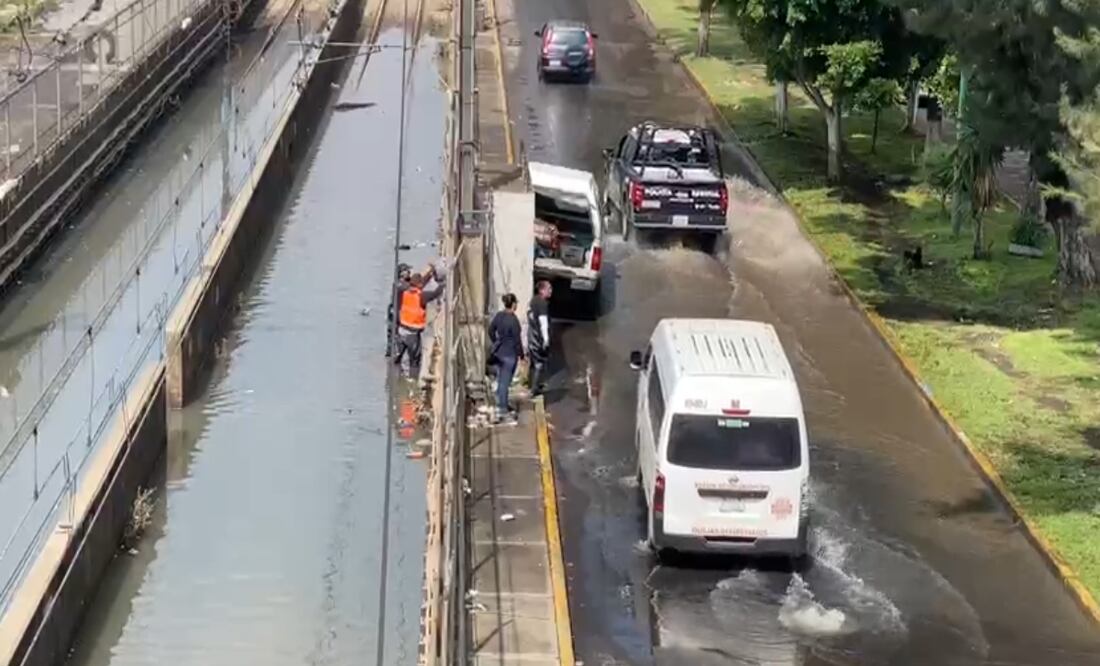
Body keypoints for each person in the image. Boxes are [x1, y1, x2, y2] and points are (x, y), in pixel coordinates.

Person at [395, 263, 447, 377]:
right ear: (419, 285)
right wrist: (444, 284)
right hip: (413, 336)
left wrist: (429, 274)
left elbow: (420, 283)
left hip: (401, 332)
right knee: (414, 363)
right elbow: (435, 293)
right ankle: (413, 381)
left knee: (397, 359)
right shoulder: (422, 296)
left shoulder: (404, 292)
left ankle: (395, 378)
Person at [488, 293, 524, 424]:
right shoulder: (514, 321)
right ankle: (502, 409)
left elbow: (491, 330)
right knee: (505, 382)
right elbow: (517, 341)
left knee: (500, 380)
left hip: (499, 353)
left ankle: (501, 404)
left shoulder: (499, 316)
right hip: (510, 355)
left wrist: (496, 342)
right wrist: (521, 355)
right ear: (513, 304)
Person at [526, 280, 552, 396]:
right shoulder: (542, 304)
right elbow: (543, 323)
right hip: (538, 338)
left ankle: (532, 385)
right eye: (548, 288)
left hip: (531, 336)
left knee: (533, 362)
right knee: (539, 364)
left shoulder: (534, 300)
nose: (551, 291)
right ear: (542, 290)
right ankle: (534, 389)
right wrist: (546, 340)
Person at [386, 263, 413, 357]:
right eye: (407, 271)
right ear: (402, 273)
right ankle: (394, 353)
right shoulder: (400, 284)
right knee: (396, 334)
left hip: (395, 311)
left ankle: (392, 352)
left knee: (393, 334)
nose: (409, 272)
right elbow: (412, 287)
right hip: (397, 313)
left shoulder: (399, 284)